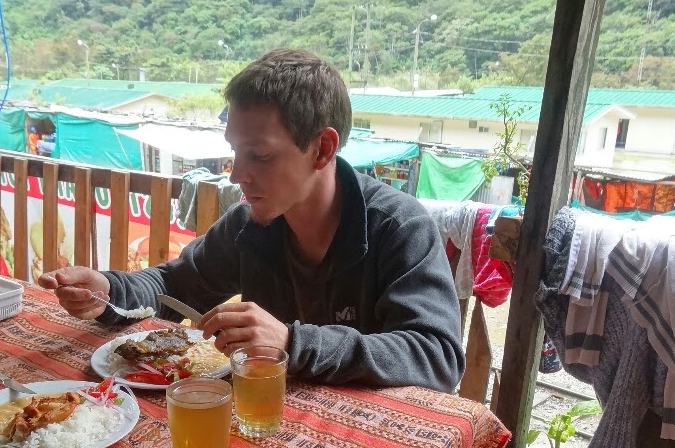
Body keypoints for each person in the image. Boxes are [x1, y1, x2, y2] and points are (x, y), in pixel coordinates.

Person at [39, 49, 464, 390]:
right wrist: (109, 291)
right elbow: (172, 285)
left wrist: (293, 343)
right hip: (265, 426)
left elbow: (437, 357)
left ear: (322, 149)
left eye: (259, 155)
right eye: (235, 152)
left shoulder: (398, 227)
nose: (237, 174)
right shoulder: (250, 224)